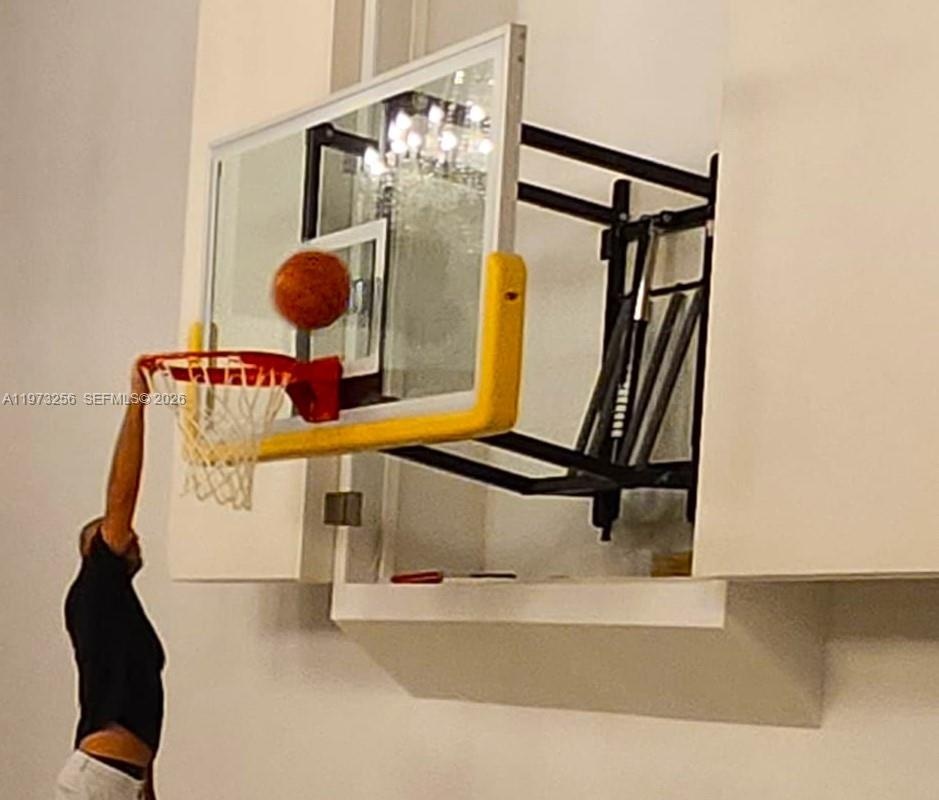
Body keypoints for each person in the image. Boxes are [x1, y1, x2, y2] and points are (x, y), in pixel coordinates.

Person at [57, 363, 164, 800]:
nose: (130, 535)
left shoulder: (116, 609)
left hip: (116, 778)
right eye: (108, 531)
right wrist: (138, 403)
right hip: (101, 777)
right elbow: (122, 493)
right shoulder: (97, 580)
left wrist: (147, 791)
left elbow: (138, 702)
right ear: (94, 548)